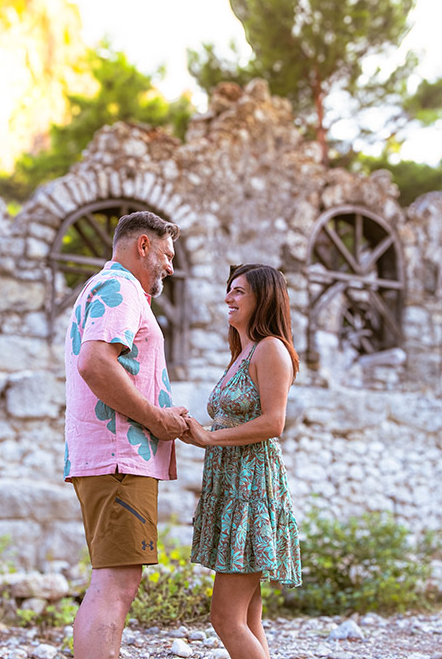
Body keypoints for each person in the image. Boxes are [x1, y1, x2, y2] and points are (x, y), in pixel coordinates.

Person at [63, 211, 189, 659]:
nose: (170, 267)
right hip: (118, 456)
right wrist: (156, 419)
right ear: (142, 246)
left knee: (115, 576)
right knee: (117, 580)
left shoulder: (106, 288)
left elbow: (116, 368)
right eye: (167, 255)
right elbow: (96, 364)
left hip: (110, 455)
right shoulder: (121, 289)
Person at [181, 263, 302, 659]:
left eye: (239, 292)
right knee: (248, 616)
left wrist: (210, 437)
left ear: (262, 298)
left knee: (225, 618)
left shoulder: (271, 349)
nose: (228, 299)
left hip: (251, 486)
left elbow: (273, 422)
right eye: (229, 290)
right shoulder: (243, 350)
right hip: (231, 484)